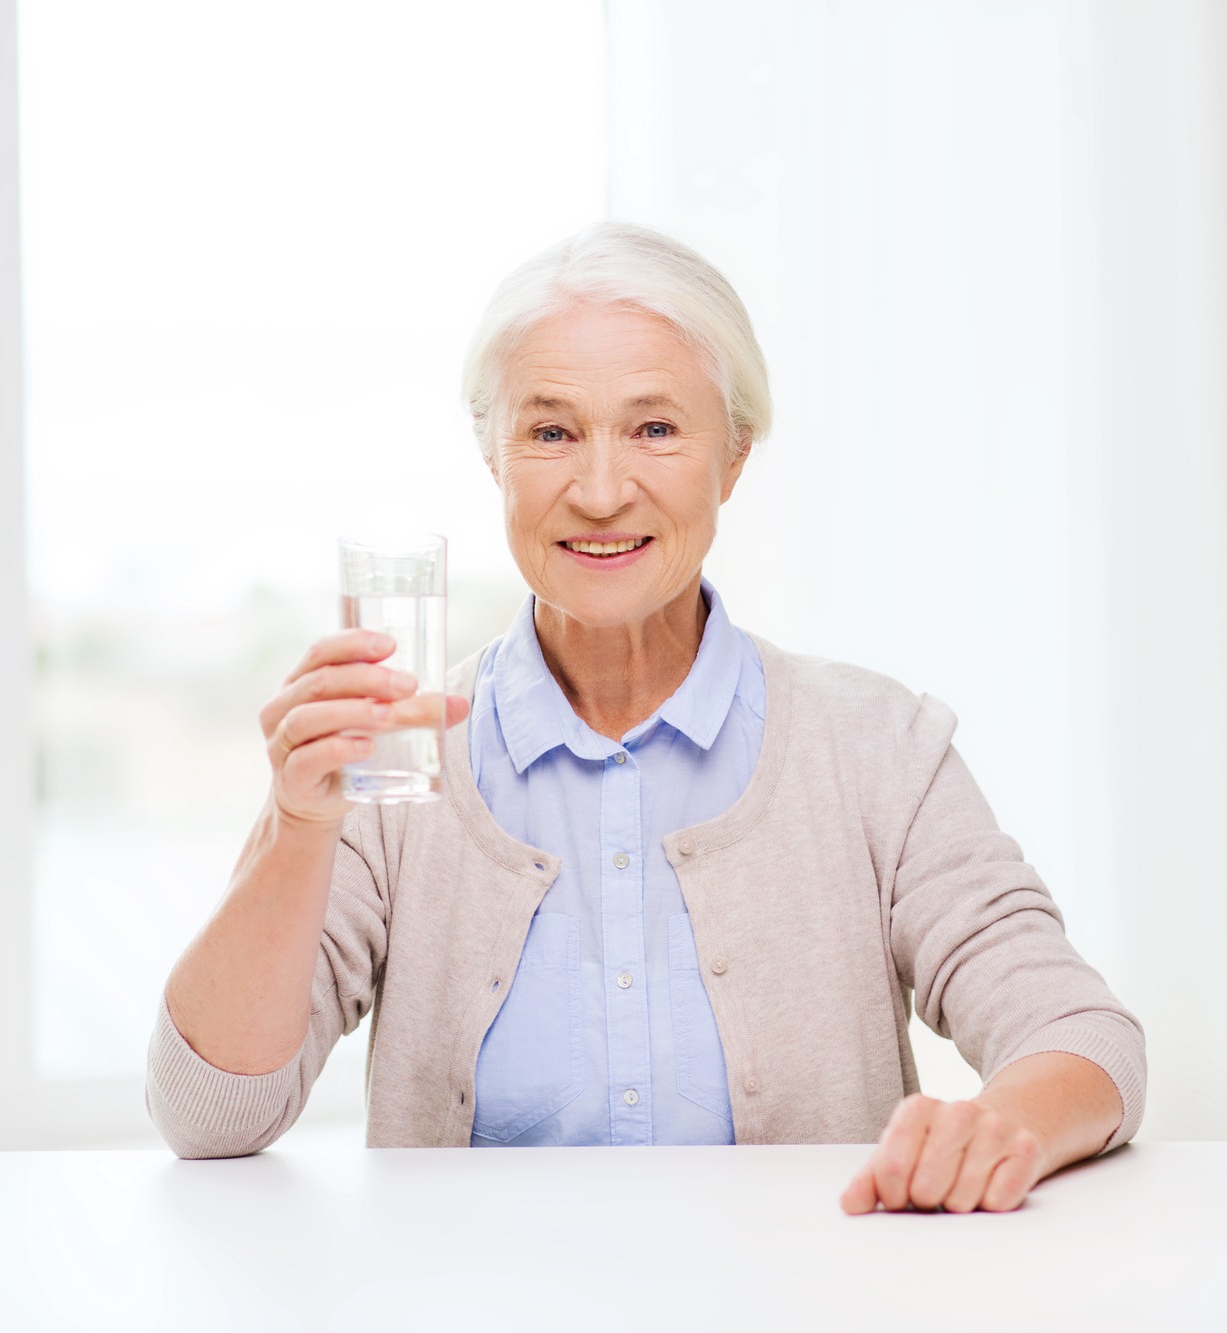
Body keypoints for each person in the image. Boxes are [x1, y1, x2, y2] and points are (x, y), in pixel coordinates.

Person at [148, 221, 1144, 1214]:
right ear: (493, 457)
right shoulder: (397, 758)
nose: (599, 489)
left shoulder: (876, 747)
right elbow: (210, 1116)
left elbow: (1082, 1037)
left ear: (733, 456)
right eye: (550, 432)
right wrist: (297, 824)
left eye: (655, 428)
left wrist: (991, 1127)